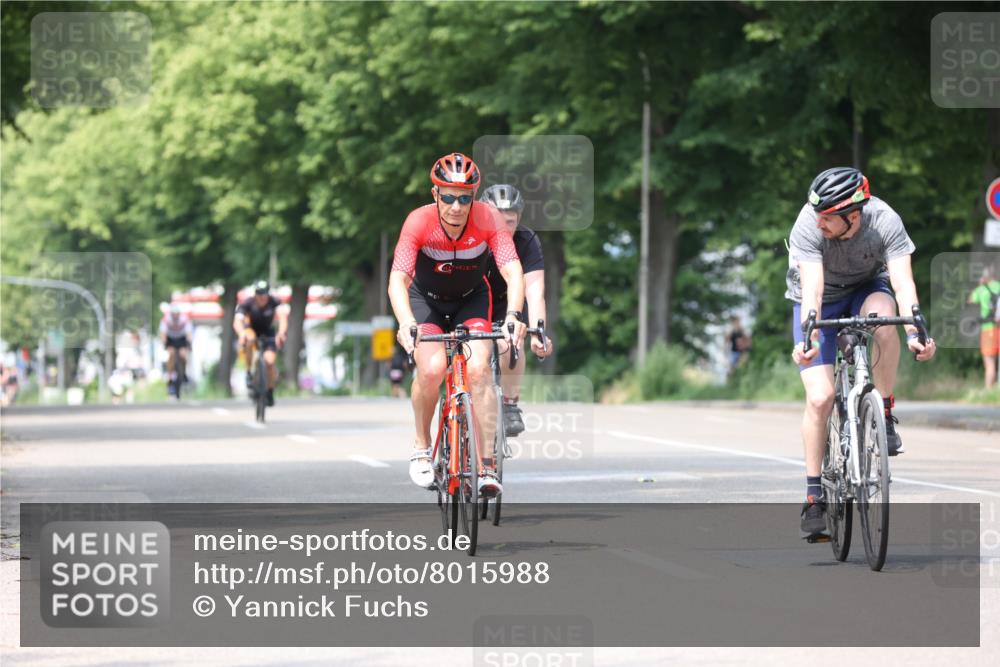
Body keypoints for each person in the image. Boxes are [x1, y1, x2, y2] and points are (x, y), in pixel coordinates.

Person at [786, 167, 936, 535]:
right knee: (820, 399)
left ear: (853, 216)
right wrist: (808, 341)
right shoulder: (808, 223)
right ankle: (813, 496)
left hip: (867, 287)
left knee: (886, 322)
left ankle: (883, 413)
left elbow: (902, 283)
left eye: (828, 218)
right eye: (817, 214)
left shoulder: (885, 220)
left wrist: (917, 330)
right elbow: (814, 292)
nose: (818, 222)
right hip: (820, 299)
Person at [388, 153, 526, 496]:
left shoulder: (488, 219)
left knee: (479, 369)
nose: (456, 206)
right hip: (426, 302)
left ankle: (487, 466)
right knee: (433, 368)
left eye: (465, 198)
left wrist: (513, 316)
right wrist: (406, 322)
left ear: (474, 197)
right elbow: (398, 278)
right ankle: (422, 446)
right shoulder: (418, 221)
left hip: (471, 299)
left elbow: (512, 271)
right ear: (435, 194)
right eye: (448, 196)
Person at [480, 184, 553, 436]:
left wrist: (538, 332)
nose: (502, 228)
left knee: (513, 340)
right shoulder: (469, 237)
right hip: (470, 302)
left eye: (509, 222)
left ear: (519, 219)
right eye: (494, 220)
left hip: (506, 303)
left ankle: (510, 405)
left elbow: (534, 292)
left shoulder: (526, 241)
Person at [234, 280, 288, 407]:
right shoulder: (247, 304)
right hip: (251, 330)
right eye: (259, 293)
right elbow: (237, 322)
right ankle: (248, 371)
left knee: (269, 362)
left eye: (264, 294)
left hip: (268, 332)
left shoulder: (275, 302)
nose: (262, 297)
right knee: (250, 338)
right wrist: (241, 333)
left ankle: (269, 391)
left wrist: (281, 333)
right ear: (255, 294)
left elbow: (283, 318)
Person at [968, 265, 1000, 388]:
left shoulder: (981, 289)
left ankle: (989, 391)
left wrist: (980, 285)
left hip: (988, 329)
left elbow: (970, 300)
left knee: (990, 362)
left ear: (985, 277)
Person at [159, 303, 193, 397]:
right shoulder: (166, 320)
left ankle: (184, 372)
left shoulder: (184, 319)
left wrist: (189, 344)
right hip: (171, 339)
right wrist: (165, 344)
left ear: (179, 314)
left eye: (176, 314)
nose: (175, 316)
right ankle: (170, 376)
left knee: (183, 355)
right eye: (173, 314)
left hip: (181, 338)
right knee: (171, 354)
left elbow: (189, 333)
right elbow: (163, 334)